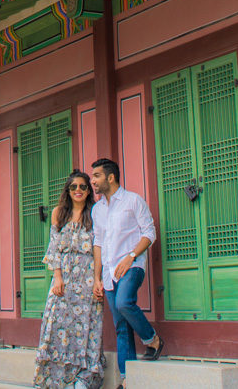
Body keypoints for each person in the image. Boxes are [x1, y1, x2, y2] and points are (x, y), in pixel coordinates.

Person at [90, 158, 164, 388]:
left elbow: (149, 233)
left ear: (110, 177)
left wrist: (131, 256)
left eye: (96, 176)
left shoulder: (133, 201)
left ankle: (153, 340)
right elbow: (99, 244)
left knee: (124, 303)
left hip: (132, 266)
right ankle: (126, 379)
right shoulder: (97, 209)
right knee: (121, 326)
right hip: (110, 271)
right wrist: (97, 277)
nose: (92, 181)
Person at [34, 170, 105, 389]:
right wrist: (57, 277)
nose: (78, 191)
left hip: (86, 278)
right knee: (56, 326)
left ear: (88, 190)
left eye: (83, 186)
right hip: (63, 278)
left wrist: (97, 279)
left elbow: (97, 248)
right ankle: (55, 380)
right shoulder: (58, 213)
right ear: (68, 190)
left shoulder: (94, 214)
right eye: (73, 187)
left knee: (86, 327)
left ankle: (82, 379)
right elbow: (54, 247)